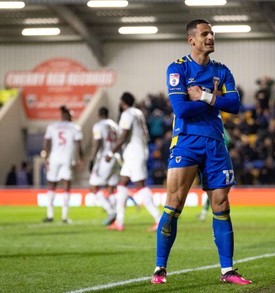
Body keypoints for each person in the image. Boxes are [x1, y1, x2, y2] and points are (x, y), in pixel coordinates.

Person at [152, 19, 252, 285]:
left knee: (222, 205)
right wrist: (216, 99)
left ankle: (227, 271)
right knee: (174, 205)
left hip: (216, 143)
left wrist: (204, 97)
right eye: (205, 34)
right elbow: (181, 109)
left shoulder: (223, 70)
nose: (210, 38)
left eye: (212, 33)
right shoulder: (178, 68)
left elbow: (235, 105)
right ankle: (160, 269)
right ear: (192, 40)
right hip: (186, 141)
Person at [105, 92, 161, 232]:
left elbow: (123, 136)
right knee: (122, 184)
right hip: (137, 150)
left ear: (123, 102)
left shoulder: (127, 114)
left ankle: (159, 219)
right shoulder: (138, 112)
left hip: (134, 152)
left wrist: (111, 152)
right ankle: (119, 222)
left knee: (140, 185)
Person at [41, 105, 83, 223]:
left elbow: (46, 144)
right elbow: (78, 145)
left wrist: (45, 159)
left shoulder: (52, 127)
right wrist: (80, 159)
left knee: (51, 185)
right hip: (67, 159)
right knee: (66, 185)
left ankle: (50, 215)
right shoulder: (75, 128)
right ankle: (64, 216)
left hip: (54, 158)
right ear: (69, 116)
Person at [88, 106, 120, 226]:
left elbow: (97, 142)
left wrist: (92, 158)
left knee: (93, 187)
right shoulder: (115, 125)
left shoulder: (98, 125)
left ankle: (111, 212)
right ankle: (116, 217)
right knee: (111, 188)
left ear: (99, 114)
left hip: (104, 158)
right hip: (115, 157)